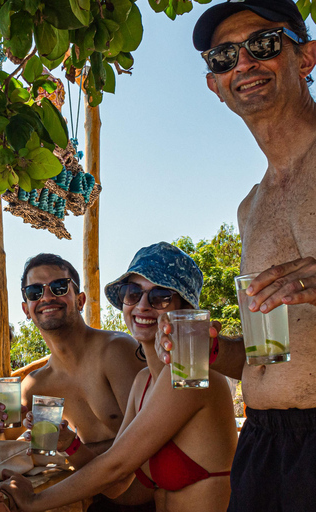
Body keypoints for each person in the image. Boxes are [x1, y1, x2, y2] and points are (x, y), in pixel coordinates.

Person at [155, 1, 316, 509]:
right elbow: (268, 356)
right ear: (214, 85)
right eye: (223, 57)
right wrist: (212, 351)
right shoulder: (251, 206)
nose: (243, 64)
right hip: (267, 445)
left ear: (306, 57)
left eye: (263, 44)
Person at [1, 243, 238, 512]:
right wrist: (70, 444)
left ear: (182, 308)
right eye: (133, 293)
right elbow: (118, 487)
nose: (143, 306)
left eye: (160, 296)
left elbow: (116, 466)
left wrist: (34, 501)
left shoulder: (190, 376)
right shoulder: (143, 382)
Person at [0, 253, 148, 508]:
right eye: (35, 291)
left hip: (141, 502)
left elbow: (147, 441)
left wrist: (72, 447)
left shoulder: (116, 352)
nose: (46, 297)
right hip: (87, 499)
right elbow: (1, 447)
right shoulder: (33, 385)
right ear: (26, 309)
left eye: (59, 287)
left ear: (79, 300)